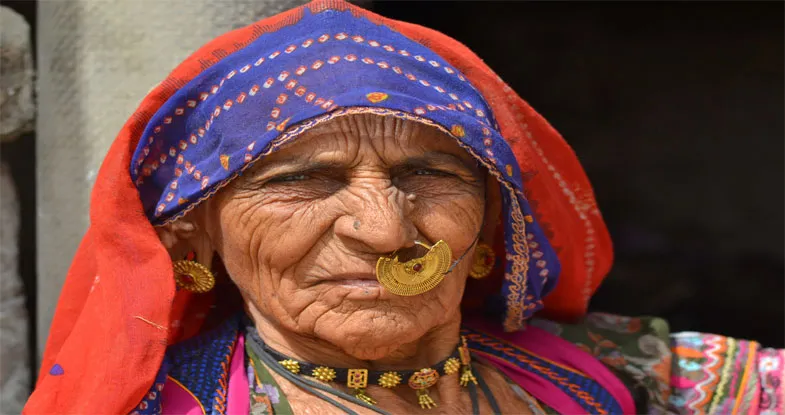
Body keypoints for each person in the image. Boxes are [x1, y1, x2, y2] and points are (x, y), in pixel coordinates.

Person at [24, 1, 783, 414]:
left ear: (492, 223)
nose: (384, 228)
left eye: (429, 173)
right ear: (196, 233)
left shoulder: (596, 368)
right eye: (303, 181)